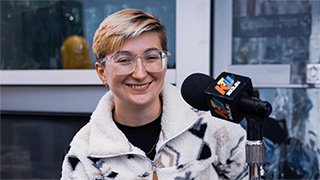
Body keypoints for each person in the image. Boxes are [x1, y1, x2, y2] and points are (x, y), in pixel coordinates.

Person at [61, 9, 248, 180]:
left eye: (151, 57)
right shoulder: (85, 153)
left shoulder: (210, 123)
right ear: (102, 72)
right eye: (124, 60)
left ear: (165, 63)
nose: (140, 73)